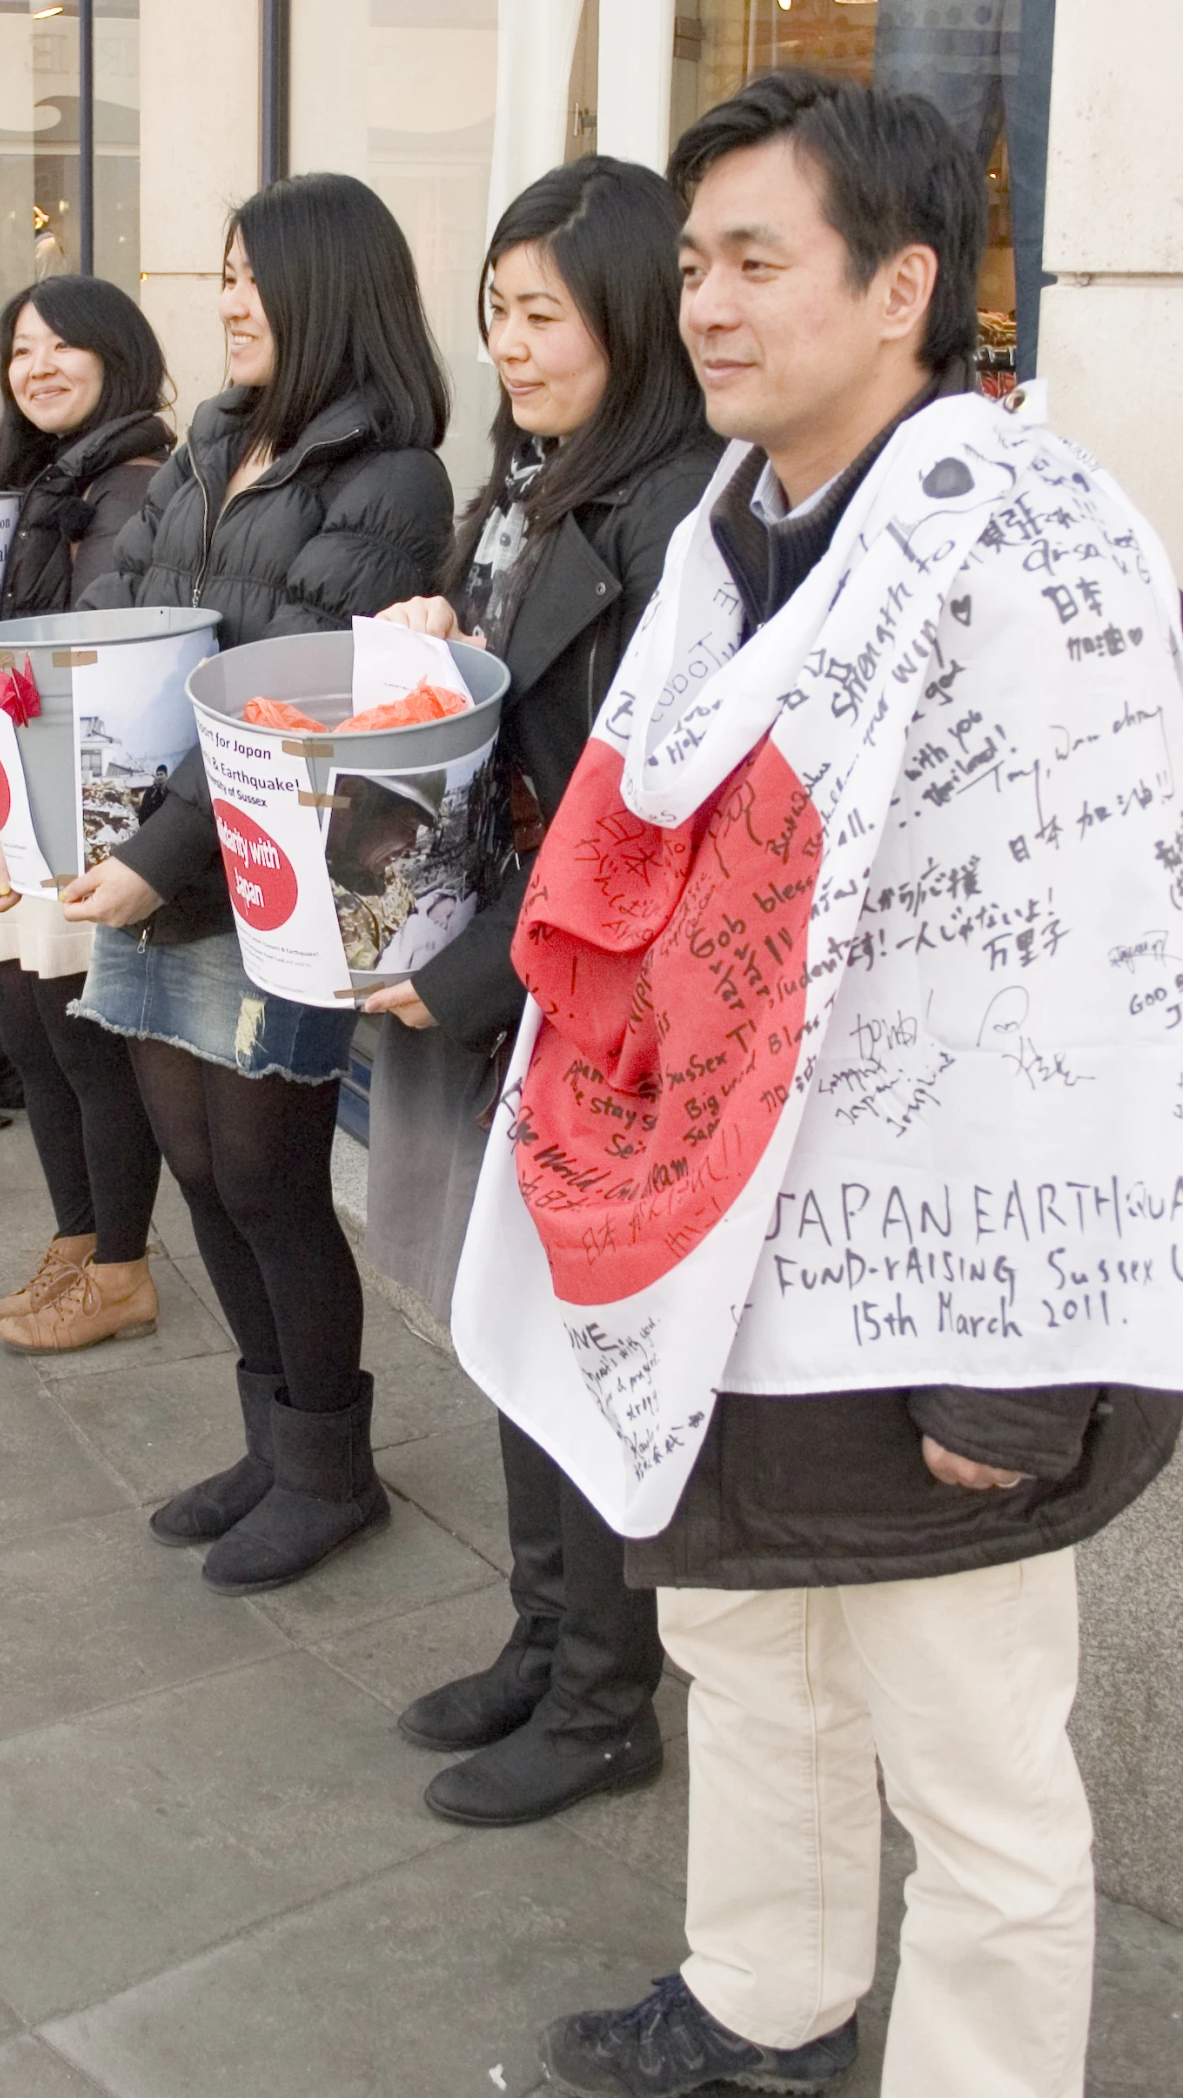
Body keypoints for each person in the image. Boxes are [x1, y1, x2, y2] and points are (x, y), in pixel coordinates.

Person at [494, 74, 1183, 2098]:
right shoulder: (745, 535)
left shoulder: (1025, 545)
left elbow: (1094, 952)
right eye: (693, 261)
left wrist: (1021, 1357)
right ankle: (759, 2005)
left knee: (970, 1760)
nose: (703, 303)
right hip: (744, 1253)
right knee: (745, 1648)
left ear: (899, 287)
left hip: (950, 1285)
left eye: (754, 261)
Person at [365, 156, 721, 1831]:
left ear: (631, 314)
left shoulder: (675, 514)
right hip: (527, 975)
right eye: (496, 312)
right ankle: (541, 1636)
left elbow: (624, 810)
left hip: (601, 993)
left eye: (544, 315)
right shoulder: (518, 487)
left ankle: (600, 1696)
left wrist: (463, 962)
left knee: (580, 1346)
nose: (511, 346)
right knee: (513, 1324)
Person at [62, 171, 455, 1594]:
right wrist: (21, 762)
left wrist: (146, 854)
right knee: (191, 1163)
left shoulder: (390, 475)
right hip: (159, 864)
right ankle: (271, 1432)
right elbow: (128, 618)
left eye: (253, 276)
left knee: (270, 1175)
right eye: (222, 273)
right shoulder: (215, 435)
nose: (228, 300)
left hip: (275, 883)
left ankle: (330, 1471)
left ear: (327, 290)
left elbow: (292, 697)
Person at [0, 274, 172, 1348]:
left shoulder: (135, 482)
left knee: (79, 1043)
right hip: (25, 789)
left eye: (61, 347)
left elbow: (74, 662)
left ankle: (119, 1266)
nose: (36, 367)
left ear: (119, 357)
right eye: (19, 350)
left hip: (86, 797)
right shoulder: (53, 481)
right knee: (26, 1028)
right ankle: (75, 1244)